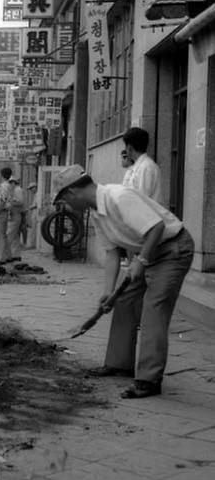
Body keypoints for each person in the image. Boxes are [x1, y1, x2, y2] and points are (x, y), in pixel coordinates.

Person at [53, 165, 194, 399]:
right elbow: (111, 253)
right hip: (144, 254)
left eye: (63, 201)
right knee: (125, 301)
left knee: (153, 308)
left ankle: (148, 380)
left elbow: (156, 227)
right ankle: (119, 363)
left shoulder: (119, 196)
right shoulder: (97, 213)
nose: (66, 207)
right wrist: (108, 292)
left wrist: (143, 259)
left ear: (71, 193)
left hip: (172, 250)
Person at [122, 127, 162, 204]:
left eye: (126, 146)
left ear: (129, 147)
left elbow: (141, 201)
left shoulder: (146, 167)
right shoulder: (136, 167)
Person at [25, 182, 38, 249]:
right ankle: (33, 243)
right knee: (33, 229)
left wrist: (29, 207)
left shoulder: (38, 194)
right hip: (34, 213)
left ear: (35, 188)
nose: (30, 190)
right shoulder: (35, 195)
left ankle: (33, 244)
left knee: (34, 229)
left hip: (36, 213)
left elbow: (36, 205)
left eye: (31, 189)